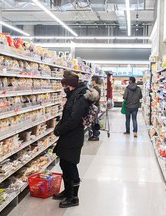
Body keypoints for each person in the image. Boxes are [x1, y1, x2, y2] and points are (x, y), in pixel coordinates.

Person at [53, 71, 98, 208]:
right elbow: (67, 116)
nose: (64, 88)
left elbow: (73, 120)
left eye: (65, 85)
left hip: (73, 136)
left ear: (70, 85)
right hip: (68, 135)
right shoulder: (74, 95)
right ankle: (67, 191)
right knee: (64, 164)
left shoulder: (80, 98)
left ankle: (73, 197)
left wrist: (60, 129)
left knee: (70, 165)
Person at [88, 75, 101, 141]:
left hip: (95, 106)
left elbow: (94, 98)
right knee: (94, 121)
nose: (91, 81)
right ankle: (95, 134)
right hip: (96, 106)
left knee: (94, 121)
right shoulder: (96, 88)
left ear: (94, 81)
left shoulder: (96, 89)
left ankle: (96, 135)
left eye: (92, 80)